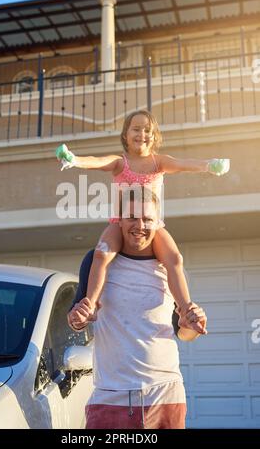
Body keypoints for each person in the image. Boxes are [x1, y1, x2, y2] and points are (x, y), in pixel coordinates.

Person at [56, 110, 229, 332]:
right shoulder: (121, 162)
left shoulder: (159, 162)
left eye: (147, 130)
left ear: (155, 136)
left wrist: (208, 165)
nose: (142, 134)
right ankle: (89, 303)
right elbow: (98, 161)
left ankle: (186, 309)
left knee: (174, 258)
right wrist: (74, 160)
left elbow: (183, 163)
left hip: (151, 225)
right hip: (121, 223)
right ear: (125, 135)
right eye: (136, 129)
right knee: (101, 253)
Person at [67, 188, 207, 429]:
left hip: (165, 395)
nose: (140, 225)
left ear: (157, 222)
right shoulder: (96, 261)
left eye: (148, 219)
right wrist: (77, 317)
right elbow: (79, 319)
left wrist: (190, 325)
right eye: (132, 217)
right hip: (111, 396)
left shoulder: (168, 268)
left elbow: (184, 334)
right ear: (119, 220)